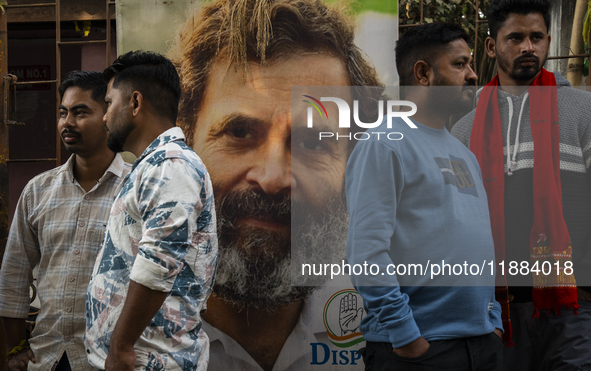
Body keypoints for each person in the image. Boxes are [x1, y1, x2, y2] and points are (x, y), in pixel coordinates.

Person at [167, 0, 384, 369]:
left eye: (314, 143)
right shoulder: (126, 335)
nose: (271, 178)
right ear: (183, 140)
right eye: (239, 132)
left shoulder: (384, 328)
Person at [346, 23, 504, 371]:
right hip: (422, 352)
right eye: (460, 64)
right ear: (423, 73)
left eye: (471, 64)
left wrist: (493, 321)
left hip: (481, 344)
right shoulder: (384, 143)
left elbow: (477, 242)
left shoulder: (464, 154)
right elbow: (366, 251)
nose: (473, 75)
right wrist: (406, 336)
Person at [451, 0, 591, 369]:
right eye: (515, 37)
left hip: (573, 305)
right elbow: (457, 222)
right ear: (491, 47)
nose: (529, 47)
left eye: (537, 37)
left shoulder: (582, 110)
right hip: (498, 311)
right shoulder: (463, 130)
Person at [84, 51, 218, 371]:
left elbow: (158, 261)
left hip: (150, 361)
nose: (104, 117)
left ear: (135, 103)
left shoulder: (171, 165)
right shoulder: (153, 165)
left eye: (109, 102)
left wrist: (121, 346)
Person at [0, 71, 130, 371]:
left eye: (80, 112)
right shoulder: (38, 190)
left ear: (108, 115)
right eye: (63, 113)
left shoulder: (136, 187)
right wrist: (15, 349)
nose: (67, 122)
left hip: (107, 361)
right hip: (47, 357)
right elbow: (14, 275)